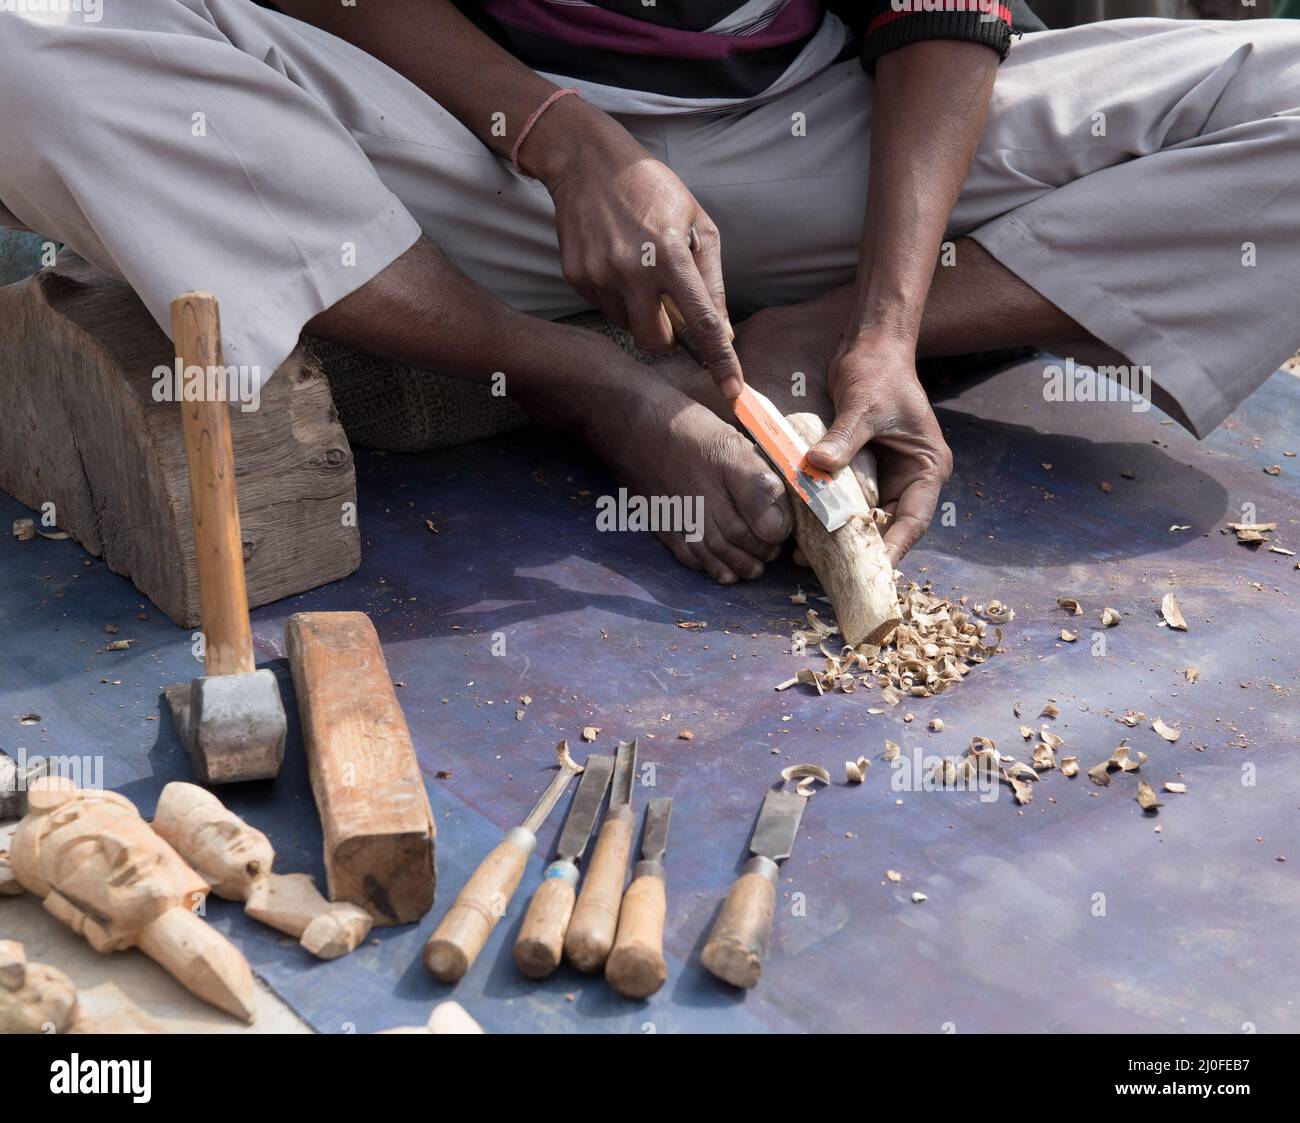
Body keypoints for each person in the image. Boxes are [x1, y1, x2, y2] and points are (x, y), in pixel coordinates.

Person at [1, 2, 1297, 583]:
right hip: (461, 160)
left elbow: (938, 13)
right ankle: (589, 379)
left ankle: (801, 337)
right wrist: (564, 138)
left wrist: (883, 324)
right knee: (31, 45)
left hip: (816, 149)